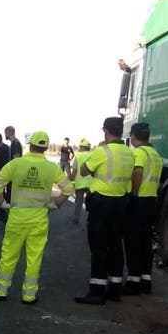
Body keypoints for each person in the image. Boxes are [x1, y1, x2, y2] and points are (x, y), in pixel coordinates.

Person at [0, 131, 73, 304]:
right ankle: (29, 295)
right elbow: (68, 189)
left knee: (9, 255)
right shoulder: (51, 168)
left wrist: (3, 204)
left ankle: (1, 291)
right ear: (45, 147)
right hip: (39, 220)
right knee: (34, 258)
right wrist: (55, 204)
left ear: (31, 146)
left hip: (17, 218)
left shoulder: (17, 164)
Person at [74, 117, 135, 305]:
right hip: (121, 203)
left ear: (106, 131)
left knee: (99, 248)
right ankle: (114, 289)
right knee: (116, 246)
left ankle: (97, 291)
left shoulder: (103, 151)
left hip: (102, 204)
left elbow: (84, 171)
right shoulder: (129, 153)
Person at [123, 122, 163, 294]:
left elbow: (137, 173)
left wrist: (133, 192)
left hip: (139, 201)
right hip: (151, 201)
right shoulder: (155, 154)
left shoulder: (138, 153)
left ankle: (133, 282)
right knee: (146, 243)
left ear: (133, 137)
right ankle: (146, 280)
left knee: (133, 242)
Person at [71, 138, 92, 224]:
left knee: (78, 202)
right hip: (91, 184)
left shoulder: (78, 155)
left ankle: (76, 218)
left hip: (79, 184)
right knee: (91, 203)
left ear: (82, 147)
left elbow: (74, 170)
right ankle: (90, 219)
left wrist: (71, 177)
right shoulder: (93, 155)